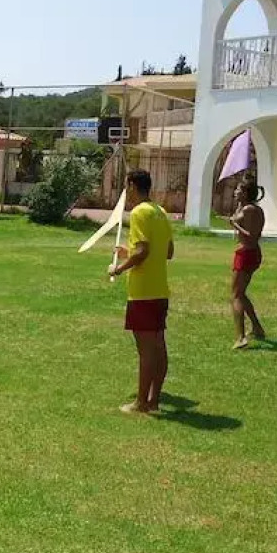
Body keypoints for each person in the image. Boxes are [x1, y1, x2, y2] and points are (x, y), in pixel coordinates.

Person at [107, 169, 174, 415]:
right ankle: (154, 400)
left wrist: (119, 268)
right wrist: (129, 251)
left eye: (127, 187)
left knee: (146, 350)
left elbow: (143, 251)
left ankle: (141, 403)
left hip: (143, 292)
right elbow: (167, 252)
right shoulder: (160, 212)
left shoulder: (139, 213)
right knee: (158, 346)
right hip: (160, 289)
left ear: (133, 186)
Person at [229, 178, 268, 349]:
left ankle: (240, 337)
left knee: (236, 295)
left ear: (245, 193)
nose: (235, 192)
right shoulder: (247, 208)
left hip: (247, 253)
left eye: (238, 189)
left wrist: (235, 224)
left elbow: (251, 235)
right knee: (241, 293)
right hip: (248, 253)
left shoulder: (251, 210)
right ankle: (257, 328)